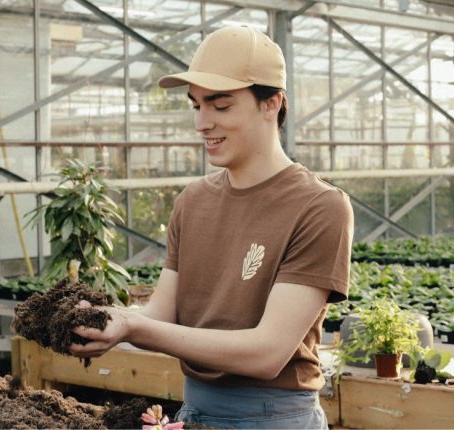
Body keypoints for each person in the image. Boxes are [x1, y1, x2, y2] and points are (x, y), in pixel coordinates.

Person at [69, 26, 354, 429]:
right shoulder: (193, 201)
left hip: (273, 417)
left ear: (271, 103)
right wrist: (106, 320)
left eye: (220, 107)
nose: (202, 123)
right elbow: (161, 315)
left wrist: (135, 326)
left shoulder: (319, 206)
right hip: (194, 411)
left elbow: (266, 352)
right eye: (196, 106)